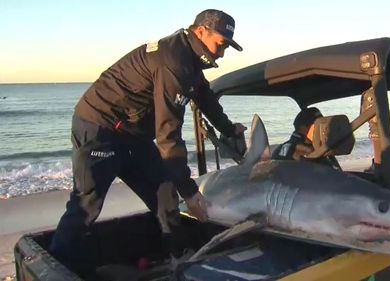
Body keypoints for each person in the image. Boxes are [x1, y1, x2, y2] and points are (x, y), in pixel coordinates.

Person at [49, 9, 246, 276]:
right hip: (100, 128)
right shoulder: (174, 62)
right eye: (220, 44)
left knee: (165, 194)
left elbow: (204, 96)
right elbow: (168, 135)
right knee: (86, 205)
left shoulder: (189, 58)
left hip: (133, 135)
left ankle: (179, 256)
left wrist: (228, 128)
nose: (221, 54)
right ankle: (55, 272)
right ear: (201, 32)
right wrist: (190, 191)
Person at [272, 107, 341, 168]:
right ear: (303, 129)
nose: (324, 128)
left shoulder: (317, 147)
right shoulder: (294, 152)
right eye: (318, 125)